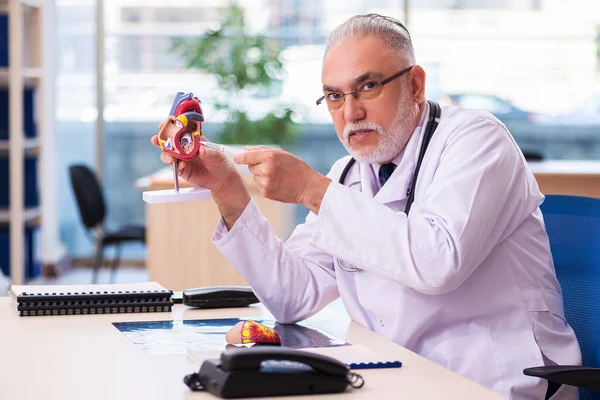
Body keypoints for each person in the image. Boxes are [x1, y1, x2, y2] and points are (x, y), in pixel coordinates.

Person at [151, 14, 580, 399]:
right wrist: (228, 191)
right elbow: (291, 296)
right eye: (334, 97)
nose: (351, 112)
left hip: (494, 382)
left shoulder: (477, 141)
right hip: (400, 377)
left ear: (415, 84)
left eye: (368, 86)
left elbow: (436, 261)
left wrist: (312, 191)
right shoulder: (350, 173)